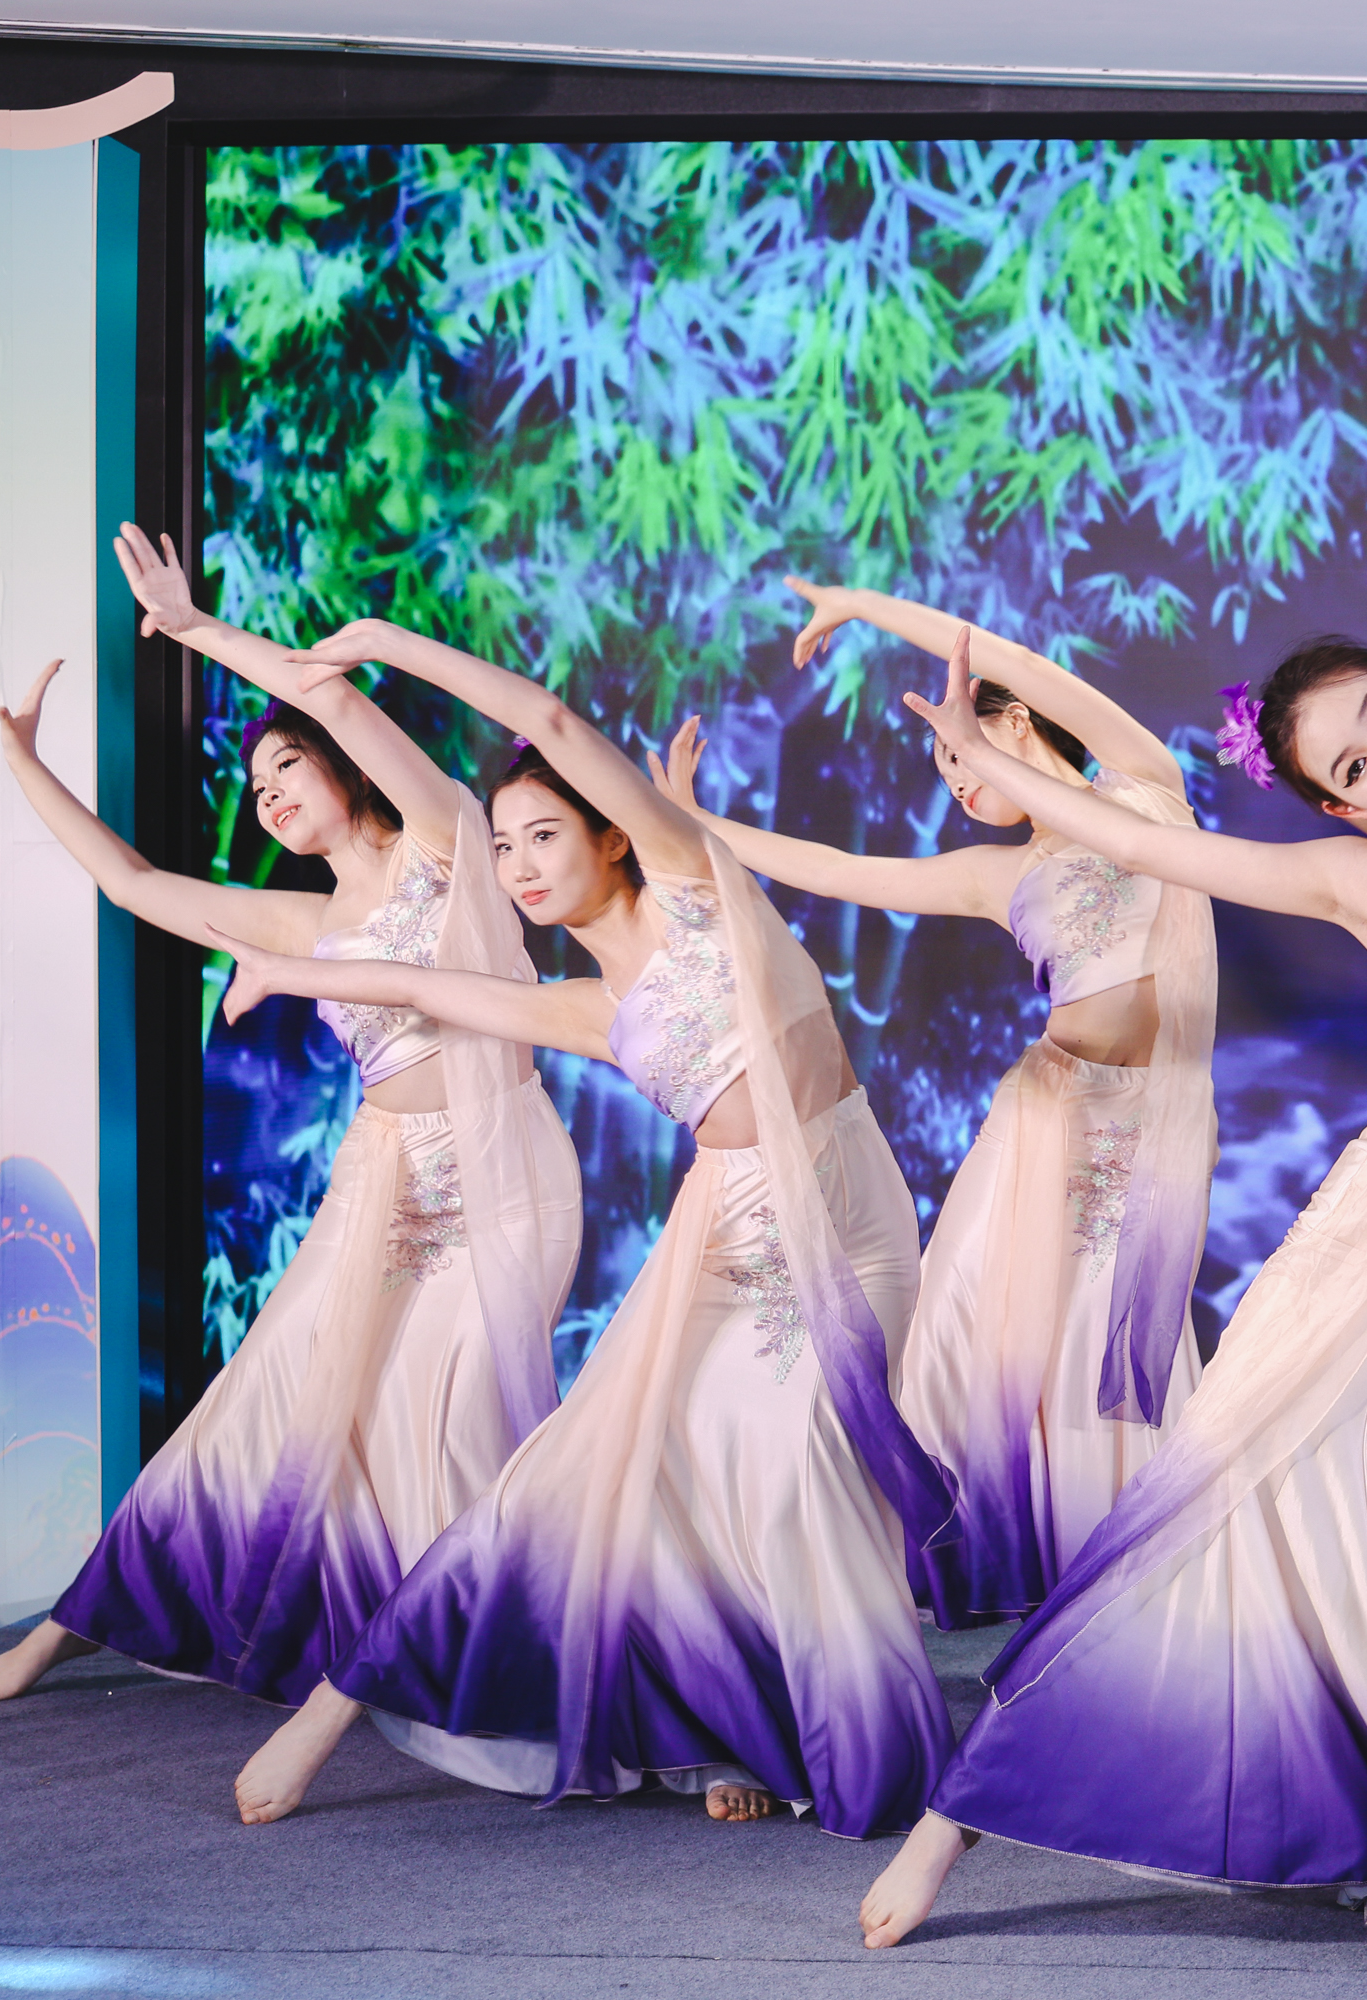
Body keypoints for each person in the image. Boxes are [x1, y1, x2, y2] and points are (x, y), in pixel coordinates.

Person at [853, 264, 1367, 1988]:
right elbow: (1154, 844)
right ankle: (963, 1814)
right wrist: (1005, 771)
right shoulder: (1358, 883)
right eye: (1349, 766)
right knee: (1220, 1500)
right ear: (1338, 812)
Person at [203, 617, 953, 1838]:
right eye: (500, 847)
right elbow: (418, 985)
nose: (517, 865)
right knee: (585, 1475)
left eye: (542, 833)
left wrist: (387, 640)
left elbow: (547, 720)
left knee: (795, 1469)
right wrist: (289, 972)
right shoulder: (594, 1009)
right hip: (726, 1236)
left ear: (613, 832)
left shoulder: (697, 889)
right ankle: (346, 1708)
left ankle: (811, 1724)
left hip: (847, 1225)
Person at [0, 529, 581, 1789]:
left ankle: (459, 1663)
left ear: (345, 770)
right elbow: (134, 883)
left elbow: (333, 694)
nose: (268, 795)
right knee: (261, 1406)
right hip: (384, 1181)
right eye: (253, 788)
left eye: (286, 767)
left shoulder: (446, 841)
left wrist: (197, 629)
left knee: (455, 1423)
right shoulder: (304, 921)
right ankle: (80, 1614)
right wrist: (24, 764)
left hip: (505, 1175)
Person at [645, 580, 1212, 1625]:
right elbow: (835, 870)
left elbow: (1015, 661)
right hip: (1045, 1121)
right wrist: (700, 825)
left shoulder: (1145, 789)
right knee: (968, 1342)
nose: (953, 780)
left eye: (960, 751)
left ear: (1012, 721)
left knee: (1109, 1347)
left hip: (1148, 1129)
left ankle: (1124, 1575)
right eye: (943, 767)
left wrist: (861, 606)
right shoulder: (996, 875)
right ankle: (912, 1565)